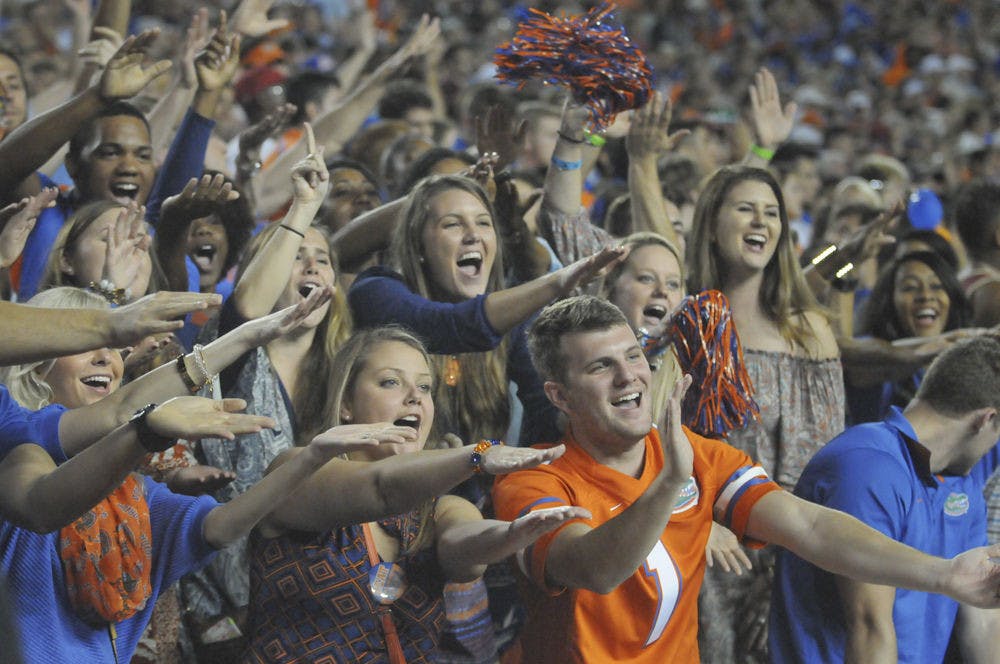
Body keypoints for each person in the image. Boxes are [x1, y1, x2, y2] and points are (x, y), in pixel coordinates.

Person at [492, 295, 1000, 664]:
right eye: (601, 367)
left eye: (633, 357)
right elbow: (593, 569)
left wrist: (944, 575)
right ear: (559, 396)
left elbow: (811, 527)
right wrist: (670, 484)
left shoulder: (701, 457)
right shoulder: (533, 480)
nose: (629, 377)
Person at [243, 326, 584, 663]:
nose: (415, 397)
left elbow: (465, 548)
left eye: (425, 386)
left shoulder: (438, 509)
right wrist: (478, 454)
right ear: (346, 402)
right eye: (391, 382)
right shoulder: (295, 470)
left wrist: (510, 534)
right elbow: (381, 488)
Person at [686, 165, 844, 662]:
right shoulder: (685, 321)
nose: (761, 221)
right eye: (745, 208)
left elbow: (819, 460)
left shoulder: (808, 330)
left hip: (782, 551)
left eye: (772, 212)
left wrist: (783, 563)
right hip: (700, 546)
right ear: (712, 224)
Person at [770, 335, 1000, 664]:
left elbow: (983, 618)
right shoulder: (866, 464)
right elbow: (868, 627)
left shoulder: (963, 485)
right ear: (986, 420)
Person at [848, 250, 976, 422]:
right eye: (910, 287)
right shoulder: (871, 357)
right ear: (889, 301)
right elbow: (848, 351)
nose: (925, 296)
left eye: (937, 286)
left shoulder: (972, 363)